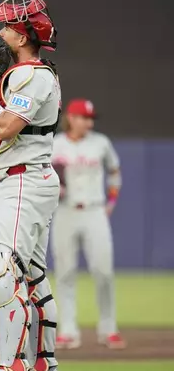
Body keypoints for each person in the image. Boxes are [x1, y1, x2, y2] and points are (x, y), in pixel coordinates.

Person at [0, 0, 62, 371]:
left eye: (7, 26)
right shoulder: (30, 74)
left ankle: (14, 369)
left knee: (3, 272)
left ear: (23, 36)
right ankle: (44, 368)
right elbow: (3, 126)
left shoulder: (33, 74)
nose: (0, 32)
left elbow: (7, 127)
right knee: (33, 274)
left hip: (24, 179)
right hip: (28, 176)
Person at [50, 98, 126, 350]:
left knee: (103, 272)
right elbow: (42, 175)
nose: (88, 122)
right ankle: (68, 331)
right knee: (65, 273)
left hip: (94, 211)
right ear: (71, 118)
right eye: (84, 117)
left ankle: (108, 329)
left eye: (91, 118)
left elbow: (115, 172)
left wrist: (111, 203)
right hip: (65, 212)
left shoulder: (101, 143)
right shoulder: (55, 144)